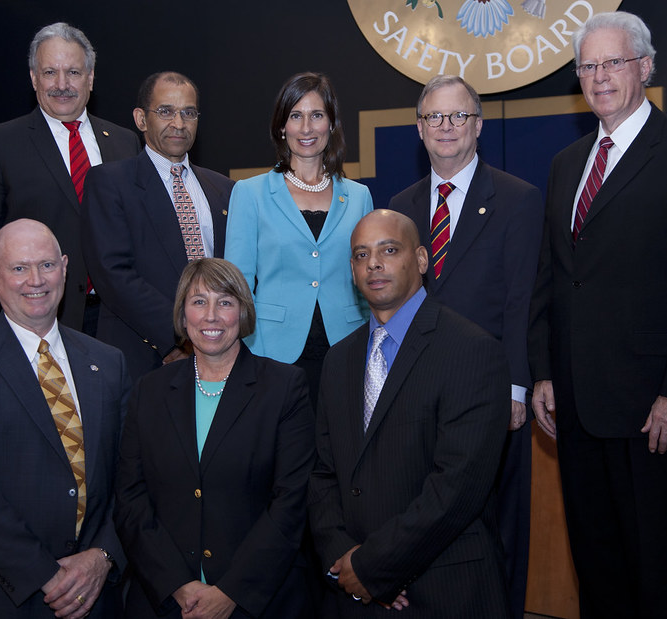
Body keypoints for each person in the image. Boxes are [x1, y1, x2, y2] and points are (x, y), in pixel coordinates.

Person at [528, 11, 667, 618]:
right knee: (597, 568)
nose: (599, 77)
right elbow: (553, 277)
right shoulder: (567, 164)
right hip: (575, 408)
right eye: (588, 66)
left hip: (652, 410)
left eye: (612, 63)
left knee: (657, 570)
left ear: (645, 67)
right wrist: (544, 372)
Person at [387, 74, 543, 618]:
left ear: (478, 125)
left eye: (458, 117)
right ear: (419, 129)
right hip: (419, 395)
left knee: (498, 525)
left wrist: (516, 389)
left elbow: (523, 301)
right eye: (435, 117)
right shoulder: (400, 208)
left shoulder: (519, 200)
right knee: (424, 520)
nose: (446, 127)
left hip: (491, 394)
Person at [309, 209, 511, 617]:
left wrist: (375, 566)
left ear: (421, 259)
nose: (375, 264)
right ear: (352, 270)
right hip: (354, 592)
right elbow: (322, 475)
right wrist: (346, 560)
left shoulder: (471, 350)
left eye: (389, 249)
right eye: (361, 255)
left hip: (442, 589)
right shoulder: (338, 359)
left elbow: (457, 487)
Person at [0, 219, 130, 618]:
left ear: (66, 267)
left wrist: (103, 555)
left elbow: (130, 475)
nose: (35, 280)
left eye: (47, 265)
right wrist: (46, 575)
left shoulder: (108, 363)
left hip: (94, 592)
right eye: (19, 268)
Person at [114, 258, 315, 618]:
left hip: (259, 601)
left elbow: (291, 501)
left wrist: (230, 593)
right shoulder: (150, 390)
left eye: (225, 302)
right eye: (198, 301)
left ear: (242, 312)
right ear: (182, 313)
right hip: (166, 599)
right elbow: (131, 498)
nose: (211, 315)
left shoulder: (285, 388)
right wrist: (178, 584)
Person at [0, 22, 141, 340]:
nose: (62, 84)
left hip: (120, 326)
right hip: (38, 323)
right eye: (50, 72)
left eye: (73, 72)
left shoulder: (125, 143)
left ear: (91, 78)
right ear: (33, 78)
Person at [224, 72, 372, 405]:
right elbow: (238, 284)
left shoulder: (360, 196)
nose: (306, 128)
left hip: (347, 351)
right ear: (282, 127)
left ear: (331, 124)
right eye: (296, 116)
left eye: (317, 115)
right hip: (270, 351)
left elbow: (368, 281)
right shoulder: (250, 193)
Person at [82, 72, 234, 382]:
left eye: (188, 113)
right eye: (165, 111)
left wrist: (213, 337)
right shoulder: (110, 183)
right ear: (141, 119)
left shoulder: (225, 189)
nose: (179, 123)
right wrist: (182, 336)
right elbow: (113, 275)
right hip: (146, 356)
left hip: (219, 355)